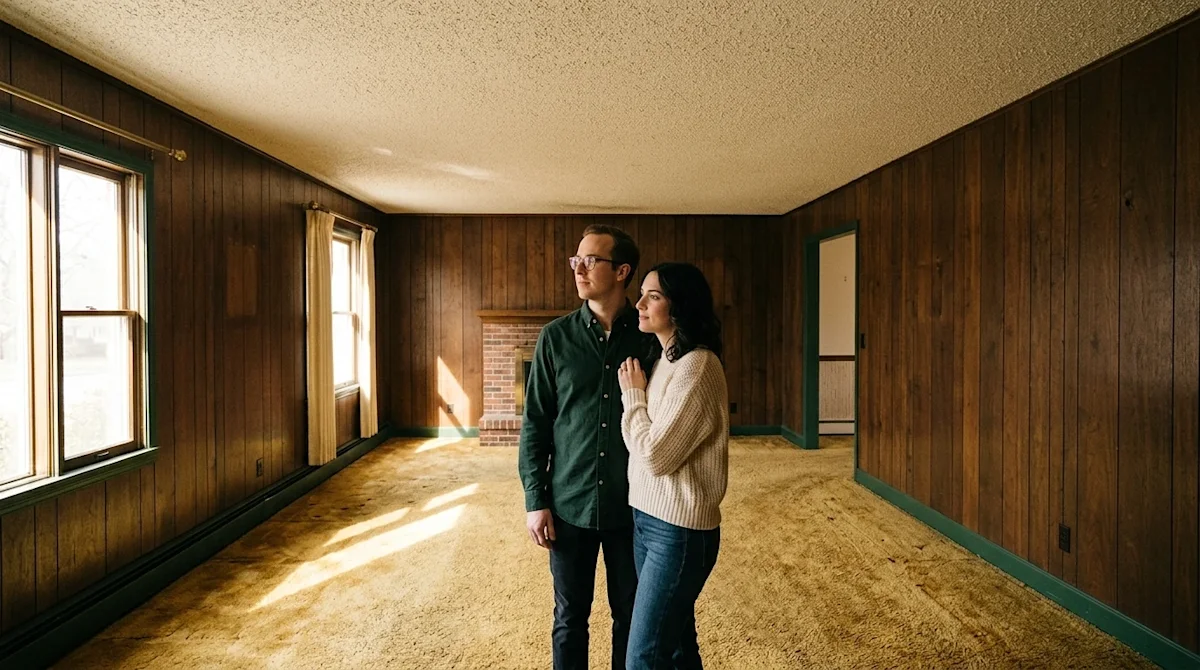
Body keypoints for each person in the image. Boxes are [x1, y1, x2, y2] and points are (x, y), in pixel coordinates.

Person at [519, 224, 662, 670]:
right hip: (568, 504)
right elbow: (536, 423)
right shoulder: (554, 338)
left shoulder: (649, 339)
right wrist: (535, 500)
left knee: (630, 617)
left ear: (621, 271)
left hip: (631, 505)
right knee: (569, 618)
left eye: (590, 260)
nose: (579, 268)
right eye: (575, 260)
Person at [616, 262, 729, 670]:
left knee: (642, 658)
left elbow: (655, 456)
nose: (640, 303)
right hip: (647, 519)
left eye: (654, 296)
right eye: (642, 293)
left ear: (679, 307)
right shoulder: (666, 359)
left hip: (677, 533)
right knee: (678, 648)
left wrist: (633, 397)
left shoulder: (696, 368)